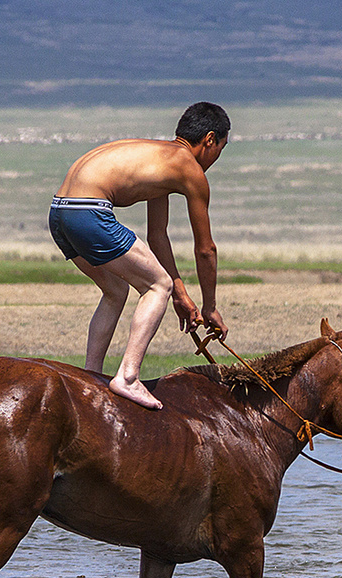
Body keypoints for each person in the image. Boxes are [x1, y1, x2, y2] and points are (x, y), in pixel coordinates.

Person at [49, 102, 230, 409]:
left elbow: (157, 235)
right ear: (210, 140)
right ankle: (129, 377)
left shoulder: (162, 160)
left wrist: (181, 293)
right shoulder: (189, 168)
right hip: (88, 212)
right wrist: (210, 307)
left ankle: (90, 376)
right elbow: (205, 249)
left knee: (116, 290)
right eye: (221, 149)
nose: (216, 159)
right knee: (158, 285)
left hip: (60, 212)